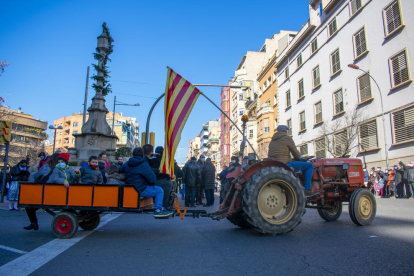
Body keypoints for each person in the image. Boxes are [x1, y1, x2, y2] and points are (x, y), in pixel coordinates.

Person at [120, 147, 172, 217]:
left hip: (130, 189)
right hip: (141, 190)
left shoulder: (127, 164)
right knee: (159, 190)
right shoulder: (144, 164)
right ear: (142, 155)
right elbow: (152, 179)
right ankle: (158, 210)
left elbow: (120, 170)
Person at [268, 125, 315, 196]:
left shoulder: (272, 141)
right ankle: (307, 189)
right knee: (309, 165)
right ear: (286, 131)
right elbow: (295, 153)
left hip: (276, 165)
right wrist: (299, 158)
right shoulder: (287, 138)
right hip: (285, 164)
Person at [24, 153, 60, 231]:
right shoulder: (62, 169)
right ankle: (34, 224)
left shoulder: (46, 167)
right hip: (56, 194)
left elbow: (36, 176)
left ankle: (34, 223)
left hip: (45, 193)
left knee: (28, 207)